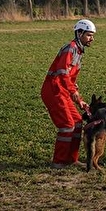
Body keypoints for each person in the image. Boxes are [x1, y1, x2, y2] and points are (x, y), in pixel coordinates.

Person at [41, 18, 96, 168]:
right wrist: (72, 91)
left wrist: (79, 99)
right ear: (79, 33)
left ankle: (72, 159)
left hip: (63, 91)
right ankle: (58, 162)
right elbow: (62, 73)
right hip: (54, 91)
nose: (92, 38)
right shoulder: (70, 49)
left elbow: (70, 79)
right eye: (89, 35)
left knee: (78, 122)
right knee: (67, 125)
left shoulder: (79, 51)